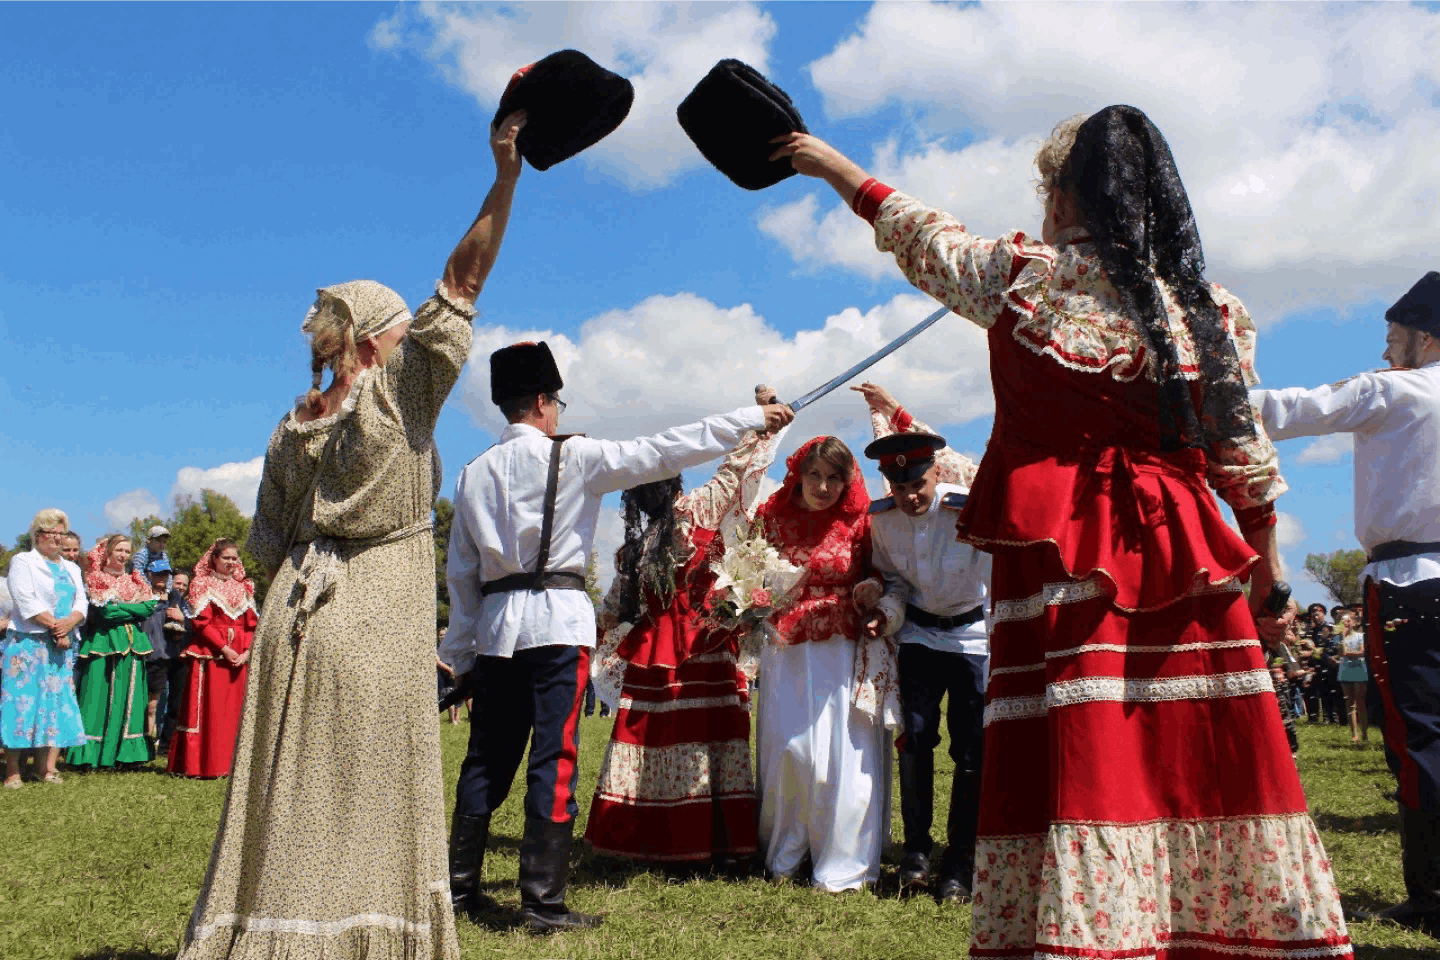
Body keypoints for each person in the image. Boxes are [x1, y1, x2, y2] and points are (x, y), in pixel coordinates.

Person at [771, 106, 1349, 954]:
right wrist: (1270, 577)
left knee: (1092, 747)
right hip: (1190, 556)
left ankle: (1099, 932)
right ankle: (1228, 930)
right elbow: (1243, 456)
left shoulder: (1024, 278)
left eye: (1049, 187)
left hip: (1067, 552)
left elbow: (917, 231)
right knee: (1200, 744)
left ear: (1066, 193)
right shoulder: (1208, 308)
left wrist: (825, 162)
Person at [176, 111, 528, 960]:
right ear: (375, 340)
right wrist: (506, 177)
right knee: (368, 777)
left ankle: (271, 929)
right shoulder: (394, 393)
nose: (418, 336)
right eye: (404, 329)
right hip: (372, 603)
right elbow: (462, 281)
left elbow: (261, 546)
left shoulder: (291, 425)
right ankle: (358, 936)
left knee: (292, 774)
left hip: (298, 607)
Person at [443, 341, 792, 931]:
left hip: (498, 629)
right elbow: (663, 449)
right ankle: (541, 902)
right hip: (556, 621)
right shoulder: (575, 456)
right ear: (541, 401)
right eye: (555, 403)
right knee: (553, 759)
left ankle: (458, 890)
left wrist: (459, 655)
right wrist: (750, 420)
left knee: (484, 759)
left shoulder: (472, 472)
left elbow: (462, 575)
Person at [1251, 271, 1440, 936]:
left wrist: (1196, 397)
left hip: (1411, 581)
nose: (1387, 353)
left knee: (1419, 738)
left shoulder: (1393, 389)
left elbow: (1285, 409)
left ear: (1423, 338)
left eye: (1394, 340)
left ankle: (1433, 892)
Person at [584, 387, 782, 869]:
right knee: (710, 735)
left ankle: (651, 839)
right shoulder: (694, 511)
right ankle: (721, 840)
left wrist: (597, 636)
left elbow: (613, 606)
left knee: (653, 740)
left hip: (657, 647)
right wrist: (763, 415)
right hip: (703, 640)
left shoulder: (637, 544)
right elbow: (735, 471)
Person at [753, 436, 891, 892]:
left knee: (842, 755)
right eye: (815, 474)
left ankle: (842, 860)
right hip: (786, 648)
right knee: (792, 750)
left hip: (841, 648)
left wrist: (871, 589)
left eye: (835, 477)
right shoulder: (770, 517)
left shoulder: (859, 522)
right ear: (799, 474)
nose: (824, 486)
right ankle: (787, 853)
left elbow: (879, 572)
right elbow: (748, 572)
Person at [859, 422, 989, 903]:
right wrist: (885, 617)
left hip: (973, 636)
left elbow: (996, 574)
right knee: (914, 739)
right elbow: (894, 582)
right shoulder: (883, 520)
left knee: (971, 749)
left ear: (936, 473)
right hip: (919, 634)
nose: (910, 495)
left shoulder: (967, 509)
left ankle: (960, 860)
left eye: (917, 484)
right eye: (899, 486)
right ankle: (916, 854)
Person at [3, 509, 87, 788]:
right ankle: (13, 771)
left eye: (61, 533)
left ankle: (43, 768)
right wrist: (56, 627)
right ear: (38, 535)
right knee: (21, 704)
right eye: (51, 533)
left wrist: (68, 625)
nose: (57, 539)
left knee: (52, 706)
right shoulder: (23, 561)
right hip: (28, 644)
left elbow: (81, 605)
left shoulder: (72, 568)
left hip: (60, 648)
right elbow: (26, 601)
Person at [67, 535, 160, 770]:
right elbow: (105, 614)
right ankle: (92, 755)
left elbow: (148, 608)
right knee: (97, 693)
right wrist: (133, 610)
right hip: (103, 642)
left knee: (130, 696)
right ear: (107, 552)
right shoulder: (97, 579)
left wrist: (121, 607)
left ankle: (125, 755)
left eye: (127, 551)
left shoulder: (135, 580)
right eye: (119, 550)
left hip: (133, 642)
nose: (123, 555)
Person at [168, 539, 256, 779]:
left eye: (234, 558)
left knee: (233, 711)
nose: (231, 562)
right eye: (226, 557)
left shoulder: (245, 586)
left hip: (239, 655)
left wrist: (247, 651)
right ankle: (204, 764)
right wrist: (224, 648)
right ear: (214, 559)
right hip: (212, 653)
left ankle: (231, 765)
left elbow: (251, 624)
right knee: (211, 710)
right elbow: (201, 623)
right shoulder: (202, 584)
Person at [138, 558, 180, 749]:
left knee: (153, 706)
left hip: (161, 656)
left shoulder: (173, 598)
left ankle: (150, 742)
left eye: (165, 574)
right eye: (158, 574)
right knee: (138, 701)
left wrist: (180, 618)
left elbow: (181, 625)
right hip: (139, 654)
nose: (162, 578)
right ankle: (137, 741)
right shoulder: (140, 595)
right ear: (149, 575)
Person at [157, 569, 195, 756]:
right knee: (154, 701)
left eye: (184, 585)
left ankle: (166, 746)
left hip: (181, 657)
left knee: (176, 703)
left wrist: (183, 619)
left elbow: (196, 628)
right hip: (161, 655)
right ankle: (149, 740)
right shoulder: (161, 600)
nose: (179, 587)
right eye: (177, 583)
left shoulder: (191, 606)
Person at [1334, 611, 1369, 743]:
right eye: (1343, 621)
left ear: (1354, 623)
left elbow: (1362, 652)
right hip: (1344, 670)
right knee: (1350, 703)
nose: (1345, 624)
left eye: (1348, 621)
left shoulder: (1360, 636)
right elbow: (1341, 653)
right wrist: (1342, 639)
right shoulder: (1338, 637)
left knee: (1360, 702)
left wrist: (1348, 653)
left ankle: (1364, 732)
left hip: (1359, 669)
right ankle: (1354, 734)